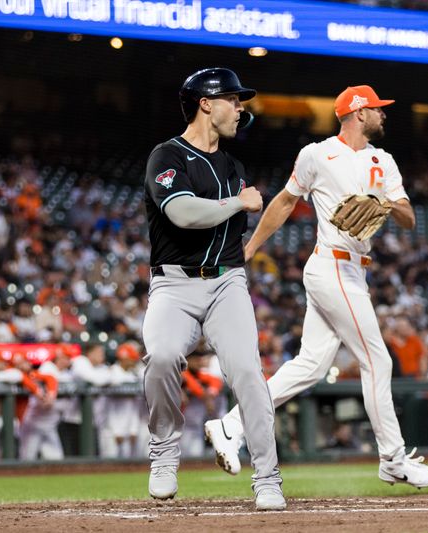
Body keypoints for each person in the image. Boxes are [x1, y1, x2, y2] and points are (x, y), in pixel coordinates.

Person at [204, 85, 428, 489]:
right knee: (377, 361)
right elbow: (282, 202)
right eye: (377, 109)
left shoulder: (383, 160)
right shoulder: (317, 154)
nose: (383, 114)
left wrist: (384, 203)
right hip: (329, 266)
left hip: (355, 271)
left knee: (310, 366)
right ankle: (393, 459)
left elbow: (408, 219)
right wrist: (248, 249)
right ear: (357, 112)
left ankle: (230, 426)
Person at [141, 67, 284, 510]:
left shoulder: (234, 165)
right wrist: (239, 202)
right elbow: (183, 213)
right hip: (174, 283)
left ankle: (268, 477)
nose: (240, 109)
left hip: (226, 281)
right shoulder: (166, 156)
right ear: (206, 103)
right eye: (233, 100)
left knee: (247, 372)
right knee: (162, 357)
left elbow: (229, 232)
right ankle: (164, 453)